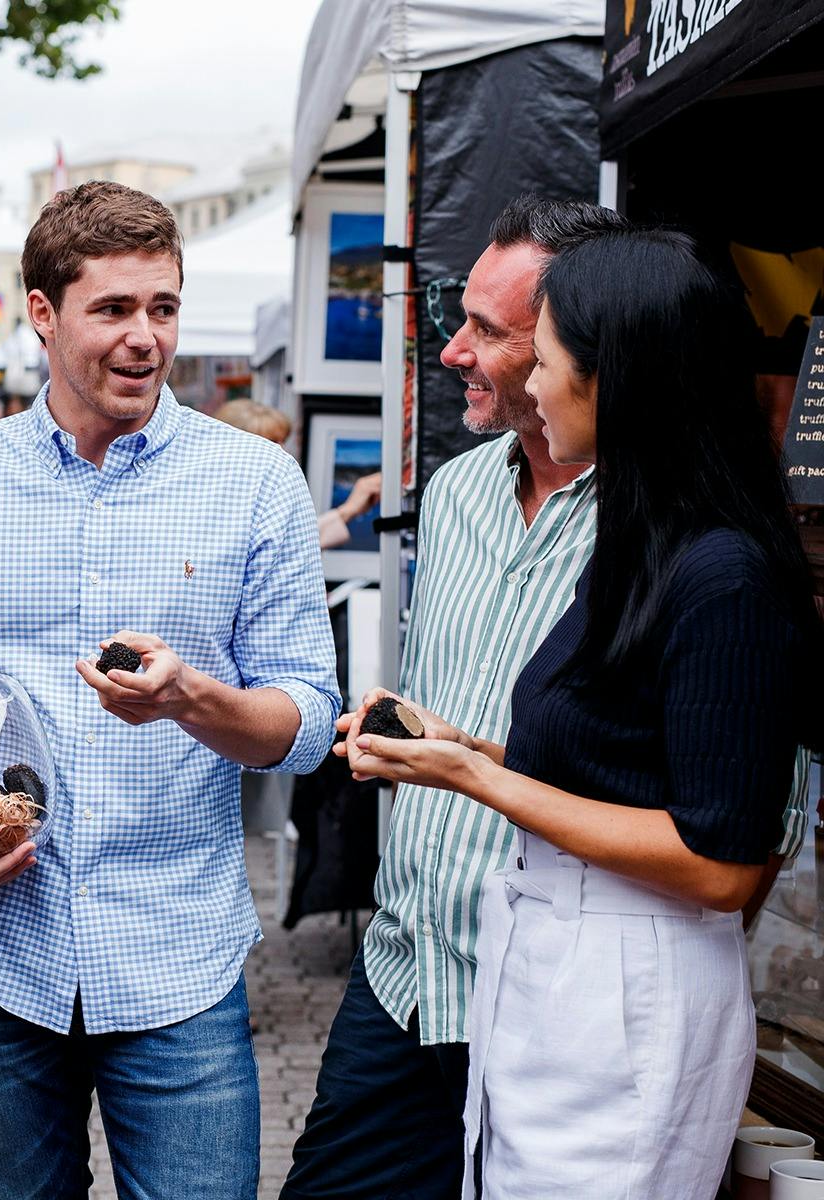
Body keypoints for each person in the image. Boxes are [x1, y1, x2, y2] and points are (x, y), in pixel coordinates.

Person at [279, 196, 809, 1199]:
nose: (453, 354)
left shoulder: (695, 555)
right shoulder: (463, 493)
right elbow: (589, 748)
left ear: (614, 364)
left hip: (577, 995)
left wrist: (467, 773)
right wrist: (453, 744)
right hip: (417, 969)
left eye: (502, 332)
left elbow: (729, 847)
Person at [0, 181, 341, 1200]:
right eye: (113, 309)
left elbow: (307, 723)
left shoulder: (255, 483)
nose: (144, 337)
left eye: (163, 307)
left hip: (178, 954)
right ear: (43, 313)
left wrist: (192, 698)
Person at [212, 399, 381, 549]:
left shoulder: (270, 488)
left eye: (282, 442)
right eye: (270, 443)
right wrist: (347, 511)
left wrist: (348, 511)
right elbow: (286, 546)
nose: (282, 452)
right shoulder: (223, 499)